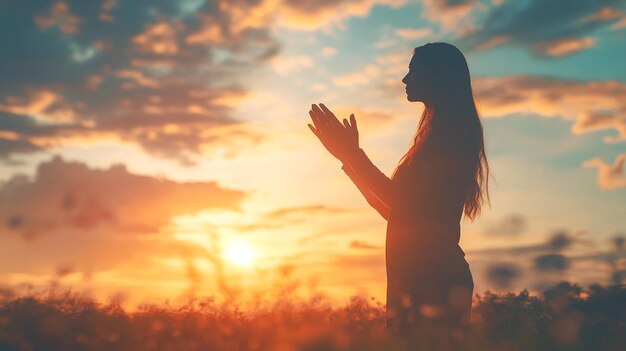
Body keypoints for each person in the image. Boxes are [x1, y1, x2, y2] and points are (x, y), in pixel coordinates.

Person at [307, 42, 490, 336]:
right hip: (418, 282)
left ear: (438, 76)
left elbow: (398, 202)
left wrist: (353, 154)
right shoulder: (434, 136)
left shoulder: (448, 138)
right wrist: (347, 158)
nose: (405, 79)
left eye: (413, 71)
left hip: (433, 283)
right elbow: (394, 211)